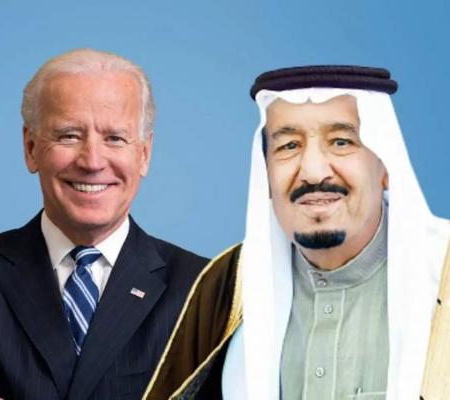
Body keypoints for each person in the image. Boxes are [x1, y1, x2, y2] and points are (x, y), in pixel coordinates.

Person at [0, 48, 207, 400]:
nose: (92, 161)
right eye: (69, 135)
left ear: (144, 153)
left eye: (115, 138)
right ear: (31, 147)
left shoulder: (202, 289)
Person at [143, 66, 450, 400]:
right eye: (289, 146)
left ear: (386, 167)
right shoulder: (229, 284)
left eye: (341, 142)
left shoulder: (443, 273)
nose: (314, 172)